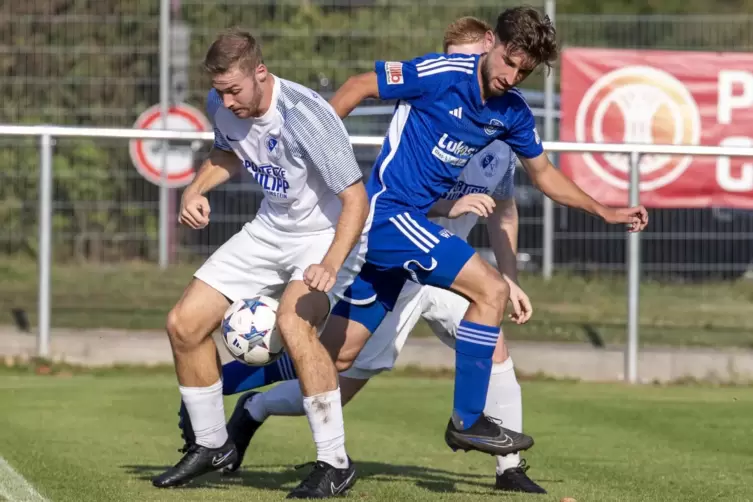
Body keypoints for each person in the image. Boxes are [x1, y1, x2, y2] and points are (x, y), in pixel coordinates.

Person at [316, 4, 648, 462]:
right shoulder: (440, 72)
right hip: (389, 213)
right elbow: (357, 87)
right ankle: (467, 421)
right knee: (489, 290)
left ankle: (232, 407)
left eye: (524, 71)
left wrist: (604, 211)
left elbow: (545, 175)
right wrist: (321, 160)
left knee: (333, 356)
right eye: (510, 62)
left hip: (413, 227)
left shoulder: (511, 112)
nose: (513, 77)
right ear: (492, 43)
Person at [152, 28, 370, 499]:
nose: (227, 101)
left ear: (260, 73)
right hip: (269, 230)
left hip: (326, 236)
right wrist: (194, 189)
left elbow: (356, 199)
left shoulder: (305, 115)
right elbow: (226, 154)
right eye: (219, 91)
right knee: (183, 324)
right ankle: (212, 445)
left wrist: (331, 263)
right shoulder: (221, 104)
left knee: (294, 326)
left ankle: (335, 463)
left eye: (235, 90)